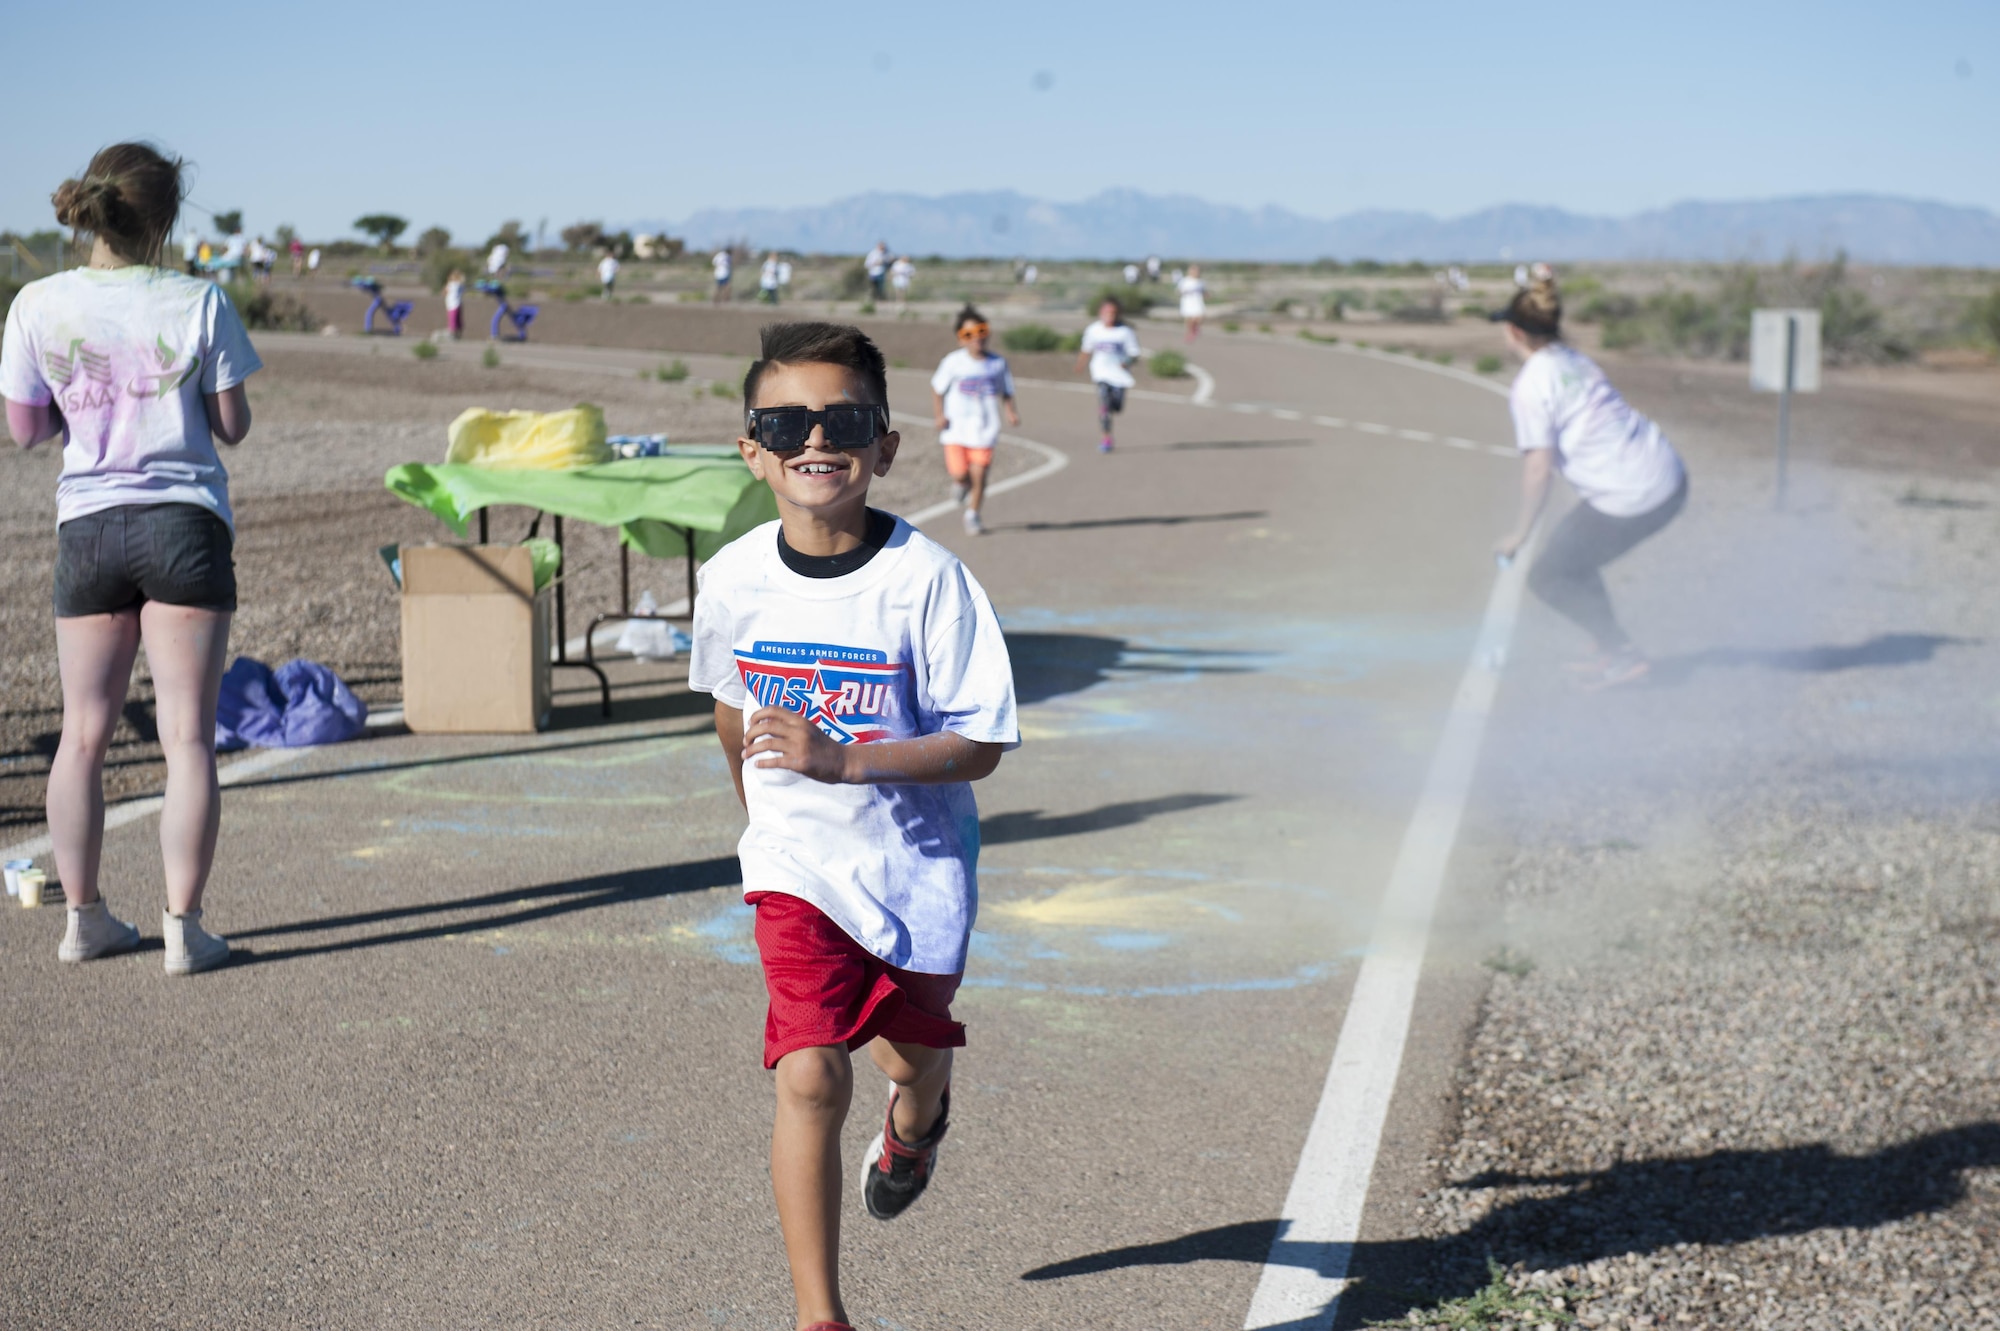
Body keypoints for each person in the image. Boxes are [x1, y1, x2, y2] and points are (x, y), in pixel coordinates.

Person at [689, 321, 1018, 1331]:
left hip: (914, 868)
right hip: (796, 865)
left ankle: (918, 1123)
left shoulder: (927, 582)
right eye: (784, 421)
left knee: (904, 1060)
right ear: (752, 450)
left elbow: (981, 741)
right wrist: (769, 824)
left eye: (843, 418)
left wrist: (845, 760)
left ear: (883, 446)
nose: (813, 437)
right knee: (808, 1068)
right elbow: (729, 705)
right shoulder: (734, 576)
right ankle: (819, 1313)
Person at [1, 142, 260, 975]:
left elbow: (26, 429)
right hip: (182, 524)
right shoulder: (200, 299)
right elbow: (232, 424)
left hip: (89, 530)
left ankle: (84, 920)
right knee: (187, 738)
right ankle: (185, 930)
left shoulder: (37, 304)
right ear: (162, 219)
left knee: (82, 736)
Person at [1491, 266, 1687, 690]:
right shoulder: (1574, 360)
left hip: (1635, 493)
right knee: (1573, 554)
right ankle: (1607, 646)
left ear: (1515, 332)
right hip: (1665, 471)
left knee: (1548, 576)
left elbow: (1538, 467)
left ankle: (1623, 654)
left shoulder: (1530, 386)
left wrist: (1519, 533)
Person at [929, 305, 1020, 535]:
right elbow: (937, 389)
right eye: (968, 334)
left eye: (980, 331)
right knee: (960, 473)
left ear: (987, 333)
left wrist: (1011, 412)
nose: (976, 338)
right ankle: (960, 484)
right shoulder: (953, 362)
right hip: (956, 430)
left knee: (979, 474)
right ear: (960, 339)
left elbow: (1006, 390)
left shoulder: (997, 363)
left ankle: (973, 514)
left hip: (985, 429)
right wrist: (939, 414)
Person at [1076, 296, 1140, 453]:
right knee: (1104, 403)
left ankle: (1112, 408)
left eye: (1112, 312)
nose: (1109, 316)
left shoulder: (1125, 332)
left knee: (1116, 406)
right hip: (1100, 372)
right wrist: (1080, 364)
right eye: (1106, 312)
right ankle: (1106, 438)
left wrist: (1126, 362)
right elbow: (1086, 349)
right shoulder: (1093, 330)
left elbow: (1134, 353)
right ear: (1100, 313)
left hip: (1119, 374)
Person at [1177, 262, 1207, 342]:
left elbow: (1204, 292)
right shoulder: (1185, 281)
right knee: (1189, 319)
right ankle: (1190, 332)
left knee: (1199, 317)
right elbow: (1179, 291)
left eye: (1197, 271)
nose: (1196, 273)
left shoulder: (1201, 282)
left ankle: (1195, 328)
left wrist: (1206, 295)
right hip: (1187, 302)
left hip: (1197, 301)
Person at [444, 269, 466, 340]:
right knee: (458, 320)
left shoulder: (452, 284)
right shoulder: (460, 285)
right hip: (458, 304)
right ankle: (458, 335)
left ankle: (453, 334)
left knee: (452, 319)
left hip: (452, 304)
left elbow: (445, 291)